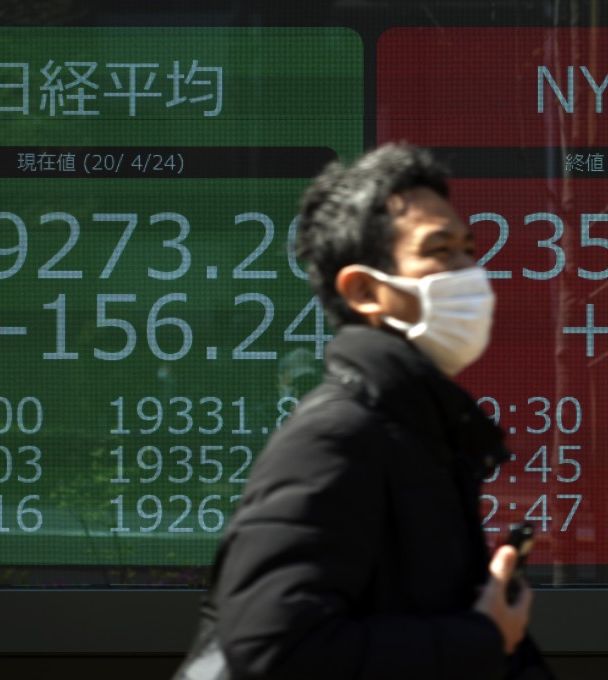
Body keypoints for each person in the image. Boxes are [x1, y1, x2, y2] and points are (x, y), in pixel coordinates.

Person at [186, 144, 552, 679]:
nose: (470, 274)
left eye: (468, 250)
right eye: (440, 251)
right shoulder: (336, 438)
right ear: (363, 290)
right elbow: (274, 650)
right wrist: (481, 638)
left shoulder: (422, 434)